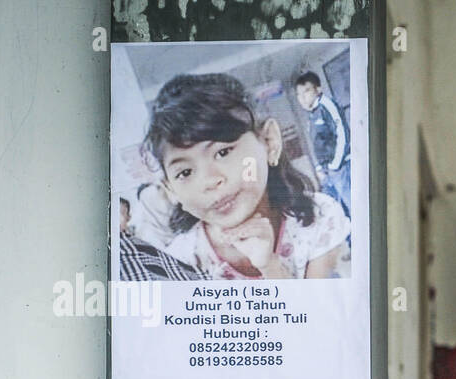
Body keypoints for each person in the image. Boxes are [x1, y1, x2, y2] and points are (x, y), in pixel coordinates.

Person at [142, 72, 351, 280]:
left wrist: (271, 267)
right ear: (171, 190)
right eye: (185, 172)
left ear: (269, 142)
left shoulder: (319, 218)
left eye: (223, 152)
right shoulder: (179, 264)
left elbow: (323, 312)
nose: (210, 181)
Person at [294, 70, 351, 220]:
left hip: (341, 168)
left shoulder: (327, 105)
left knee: (354, 208)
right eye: (299, 95)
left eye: (306, 91)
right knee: (337, 215)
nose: (302, 97)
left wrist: (335, 165)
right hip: (327, 173)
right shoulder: (311, 114)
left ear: (318, 89)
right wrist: (320, 168)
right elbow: (317, 144)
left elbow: (343, 133)